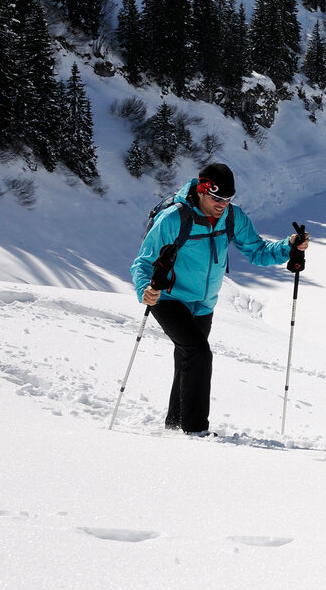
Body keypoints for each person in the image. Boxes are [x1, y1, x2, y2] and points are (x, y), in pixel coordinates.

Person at [130, 162, 309, 435]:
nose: (222, 204)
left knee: (188, 359)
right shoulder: (174, 219)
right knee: (199, 354)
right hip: (167, 298)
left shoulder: (232, 218)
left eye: (227, 199)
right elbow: (143, 263)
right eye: (216, 198)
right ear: (201, 190)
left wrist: (289, 244)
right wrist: (145, 288)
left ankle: (175, 424)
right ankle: (195, 429)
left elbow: (258, 251)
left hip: (204, 304)